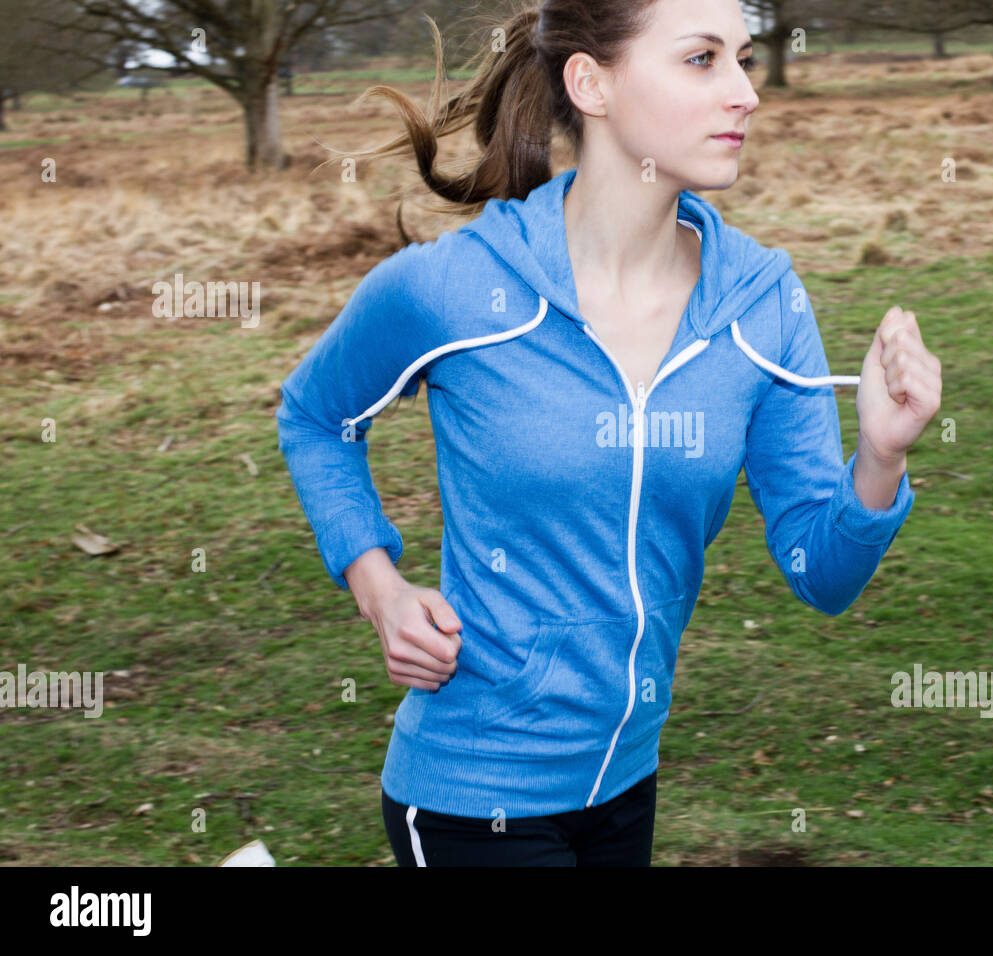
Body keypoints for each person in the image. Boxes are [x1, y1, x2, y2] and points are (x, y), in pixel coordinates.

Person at [275, 0, 942, 867]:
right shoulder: (454, 289)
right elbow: (315, 417)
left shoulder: (763, 305)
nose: (746, 93)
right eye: (702, 59)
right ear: (590, 84)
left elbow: (822, 573)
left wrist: (881, 457)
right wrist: (380, 589)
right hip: (474, 792)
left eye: (743, 59)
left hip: (624, 788)